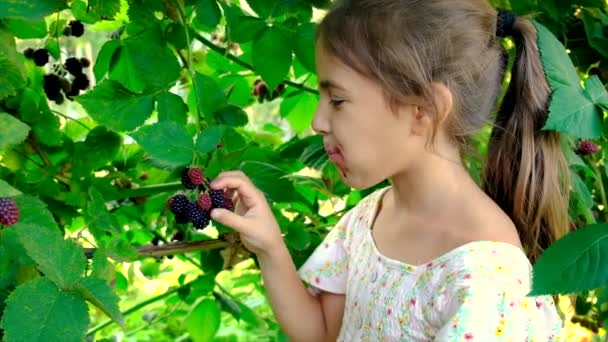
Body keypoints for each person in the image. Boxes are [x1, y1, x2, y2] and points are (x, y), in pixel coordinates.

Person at [208, 0, 569, 340]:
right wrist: (270, 246)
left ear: (424, 108)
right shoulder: (368, 219)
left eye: (337, 100)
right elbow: (322, 332)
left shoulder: (488, 280)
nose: (318, 122)